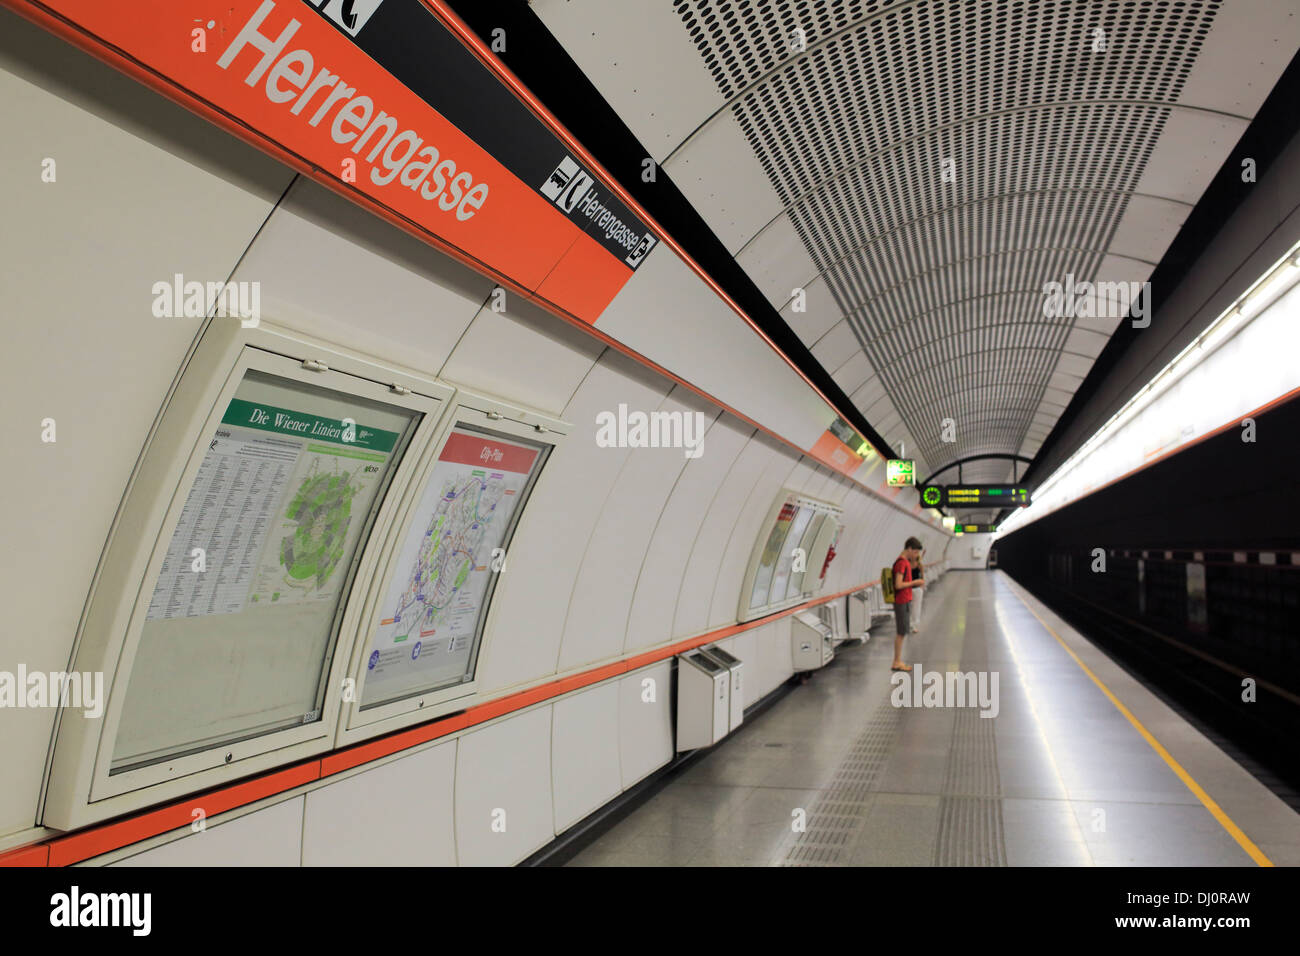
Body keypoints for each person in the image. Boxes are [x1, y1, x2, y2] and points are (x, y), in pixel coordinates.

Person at [891, 537, 925, 672]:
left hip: (904, 599)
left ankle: (898, 660)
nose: (916, 555)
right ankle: (896, 661)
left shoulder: (903, 562)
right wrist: (915, 583)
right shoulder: (902, 563)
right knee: (901, 632)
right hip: (901, 600)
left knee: (903, 631)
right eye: (915, 552)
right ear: (909, 549)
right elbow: (898, 584)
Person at [909, 549, 925, 633]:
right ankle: (909, 623)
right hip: (908, 588)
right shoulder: (907, 564)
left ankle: (914, 625)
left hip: (917, 588)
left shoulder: (919, 565)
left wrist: (922, 586)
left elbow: (922, 576)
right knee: (908, 607)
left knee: (916, 607)